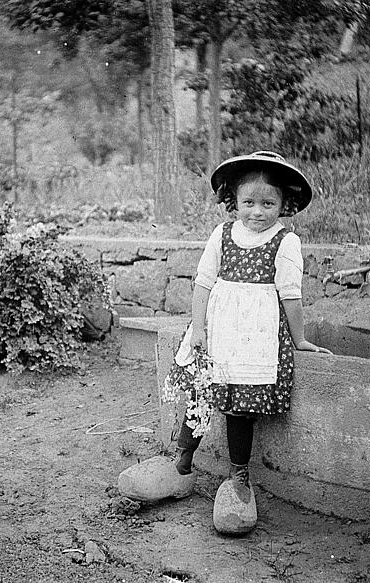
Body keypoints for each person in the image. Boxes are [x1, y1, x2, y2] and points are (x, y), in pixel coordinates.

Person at [117, 151, 332, 534]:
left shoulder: (285, 242)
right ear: (234, 201)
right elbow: (203, 282)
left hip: (254, 338)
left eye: (269, 203)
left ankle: (238, 480)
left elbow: (290, 295)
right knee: (201, 394)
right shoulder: (222, 234)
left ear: (284, 204)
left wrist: (300, 340)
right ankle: (181, 465)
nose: (257, 212)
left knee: (238, 409)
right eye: (249, 202)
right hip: (217, 330)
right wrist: (197, 328)